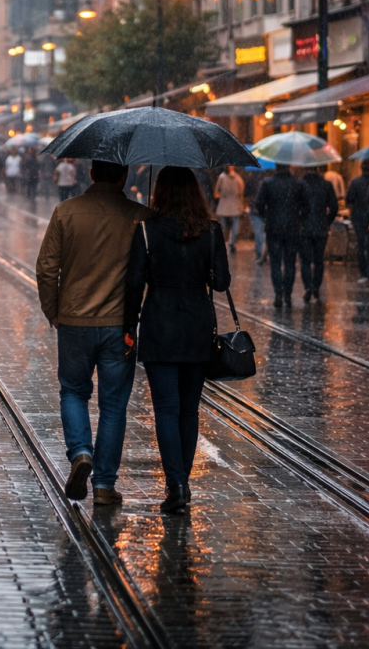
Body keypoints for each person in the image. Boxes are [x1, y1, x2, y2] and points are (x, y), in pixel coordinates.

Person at [36, 160, 151, 507]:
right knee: (114, 405)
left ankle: (81, 452)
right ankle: (103, 485)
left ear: (90, 173)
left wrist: (52, 310)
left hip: (74, 321)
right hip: (119, 326)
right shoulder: (139, 216)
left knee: (73, 392)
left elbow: (46, 268)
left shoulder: (66, 211)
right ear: (124, 176)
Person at [124, 166, 230, 513]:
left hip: (160, 326)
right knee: (188, 409)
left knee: (166, 410)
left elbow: (135, 284)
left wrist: (128, 327)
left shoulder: (146, 230)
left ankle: (177, 484)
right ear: (195, 192)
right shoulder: (211, 231)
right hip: (197, 327)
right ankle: (181, 481)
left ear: (160, 192)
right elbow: (221, 282)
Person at [253, 163, 307, 307]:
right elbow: (306, 206)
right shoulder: (298, 183)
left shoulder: (267, 183)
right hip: (292, 228)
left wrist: (267, 217)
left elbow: (259, 204)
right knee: (290, 263)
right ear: (288, 167)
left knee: (275, 262)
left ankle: (278, 294)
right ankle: (287, 295)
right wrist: (297, 218)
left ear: (276, 167)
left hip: (273, 228)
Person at [299, 166, 339, 302]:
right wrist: (327, 221)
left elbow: (294, 205)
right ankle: (316, 287)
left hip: (304, 228)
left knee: (305, 260)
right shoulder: (326, 185)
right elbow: (334, 206)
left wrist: (299, 220)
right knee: (319, 259)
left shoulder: (300, 184)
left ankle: (307, 287)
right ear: (318, 169)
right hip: (321, 227)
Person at [346, 161, 369, 283]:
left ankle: (363, 273)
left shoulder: (355, 182)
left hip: (358, 218)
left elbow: (349, 199)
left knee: (361, 245)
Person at [214, 166, 244, 253]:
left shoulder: (222, 177)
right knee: (234, 228)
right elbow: (241, 191)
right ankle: (231, 244)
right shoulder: (238, 178)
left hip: (224, 206)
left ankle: (222, 245)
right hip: (235, 206)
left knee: (223, 228)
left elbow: (216, 192)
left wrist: (222, 195)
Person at [243, 168, 269, 265]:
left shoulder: (252, 178)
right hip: (264, 211)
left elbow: (246, 194)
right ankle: (262, 253)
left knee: (259, 233)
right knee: (263, 234)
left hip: (256, 210)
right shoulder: (267, 179)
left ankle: (260, 254)